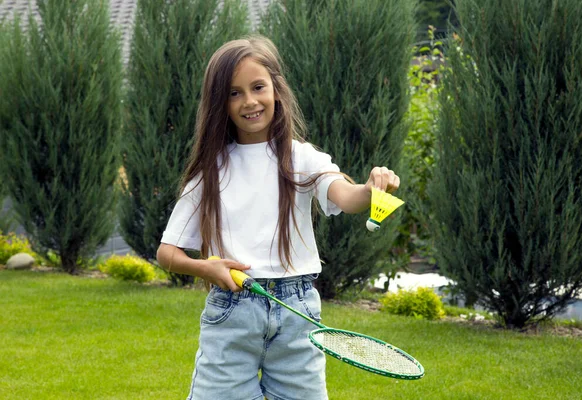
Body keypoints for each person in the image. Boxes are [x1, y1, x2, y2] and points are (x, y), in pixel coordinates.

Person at [156, 35, 400, 400]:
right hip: (231, 313)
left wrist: (370, 189)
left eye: (258, 87)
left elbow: (346, 197)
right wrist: (207, 269)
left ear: (277, 90)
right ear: (219, 103)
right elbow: (167, 253)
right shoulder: (209, 172)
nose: (250, 101)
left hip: (297, 314)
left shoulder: (302, 158)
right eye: (234, 93)